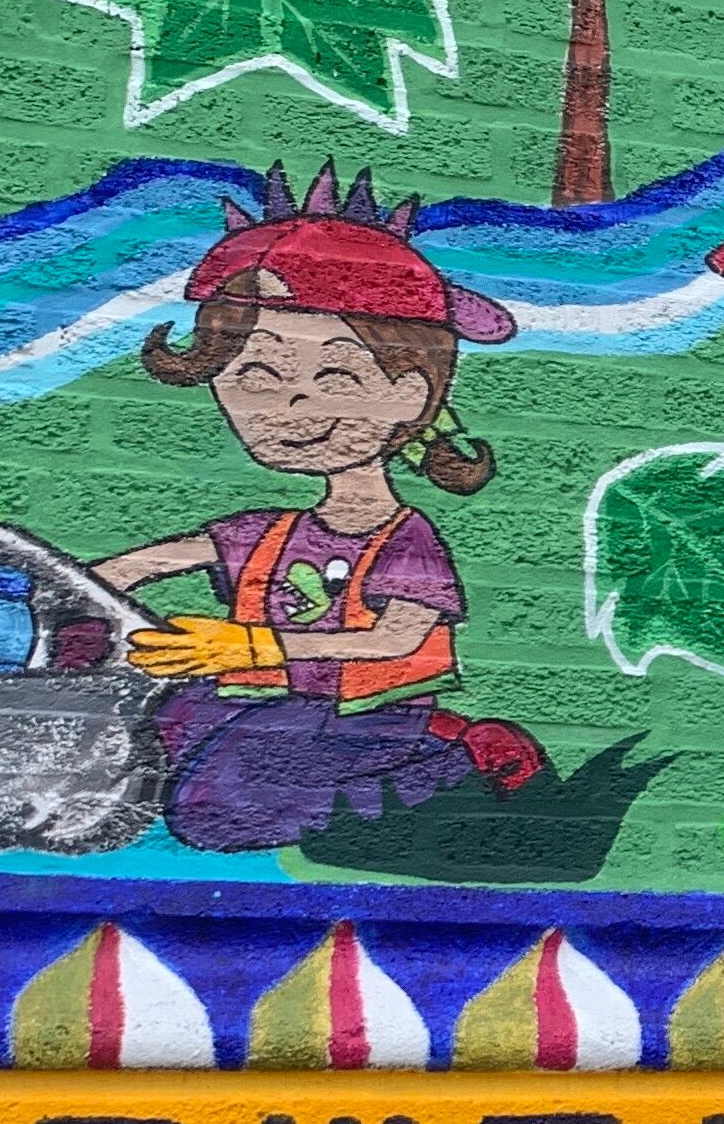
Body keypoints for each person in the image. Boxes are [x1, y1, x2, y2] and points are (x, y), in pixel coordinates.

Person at [94, 166, 548, 852]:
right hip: (270, 701)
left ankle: (457, 759)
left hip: (367, 715)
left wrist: (251, 644)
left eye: (333, 376)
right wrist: (53, 586)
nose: (288, 405)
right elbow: (143, 564)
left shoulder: (406, 538)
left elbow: (395, 640)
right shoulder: (268, 532)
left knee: (209, 815)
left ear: (407, 396)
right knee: (141, 739)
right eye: (255, 375)